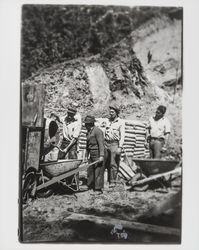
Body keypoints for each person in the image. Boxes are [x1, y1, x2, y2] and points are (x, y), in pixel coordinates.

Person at [105, 105, 125, 187]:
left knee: (113, 163)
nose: (111, 113)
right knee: (105, 162)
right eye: (110, 111)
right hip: (106, 143)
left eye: (112, 112)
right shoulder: (107, 121)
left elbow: (122, 135)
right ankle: (104, 180)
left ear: (116, 113)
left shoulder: (121, 122)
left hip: (114, 144)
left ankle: (112, 181)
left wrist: (120, 147)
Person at [85, 115, 105, 194]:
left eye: (87, 124)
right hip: (91, 153)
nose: (85, 125)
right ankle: (90, 185)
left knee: (98, 170)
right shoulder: (89, 131)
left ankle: (98, 189)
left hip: (98, 153)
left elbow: (101, 144)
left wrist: (101, 156)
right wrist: (87, 154)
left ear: (91, 124)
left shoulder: (97, 131)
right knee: (90, 170)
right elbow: (87, 145)